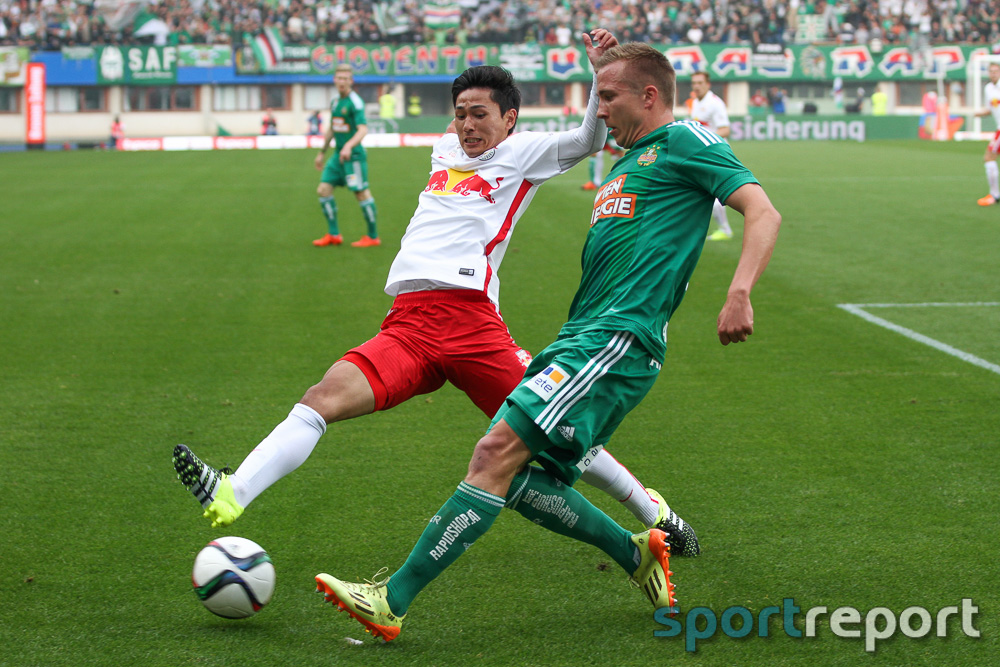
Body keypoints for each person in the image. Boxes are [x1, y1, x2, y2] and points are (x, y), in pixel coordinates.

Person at [174, 31, 696, 594]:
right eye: (461, 115)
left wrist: (598, 78)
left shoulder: (525, 155)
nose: (468, 125)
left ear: (511, 118)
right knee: (321, 399)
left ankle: (655, 515)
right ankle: (232, 491)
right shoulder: (444, 150)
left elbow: (591, 139)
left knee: (558, 430)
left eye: (481, 115)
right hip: (408, 324)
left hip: (472, 323)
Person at [315, 42, 781, 642]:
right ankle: (634, 550)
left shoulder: (687, 140)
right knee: (518, 474)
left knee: (493, 456)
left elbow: (761, 210)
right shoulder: (629, 163)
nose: (600, 109)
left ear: (648, 95)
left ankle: (392, 599)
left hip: (617, 341)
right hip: (578, 340)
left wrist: (739, 291)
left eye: (608, 96)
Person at [313, 64, 380, 248]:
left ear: (351, 81)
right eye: (339, 78)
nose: (342, 82)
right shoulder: (335, 102)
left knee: (361, 193)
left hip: (354, 157)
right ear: (334, 80)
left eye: (345, 79)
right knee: (323, 190)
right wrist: (321, 153)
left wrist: (349, 146)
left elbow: (363, 129)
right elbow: (333, 129)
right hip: (337, 156)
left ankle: (373, 236)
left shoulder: (355, 102)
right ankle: (334, 234)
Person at [690, 71, 733, 241]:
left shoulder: (715, 103)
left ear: (708, 84)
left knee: (712, 195)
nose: (697, 86)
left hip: (717, 154)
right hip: (703, 153)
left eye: (700, 82)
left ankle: (725, 229)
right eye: (694, 83)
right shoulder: (695, 102)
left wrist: (705, 137)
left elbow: (725, 129)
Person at [975, 63, 1000, 206]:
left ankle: (994, 195)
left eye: (996, 71)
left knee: (989, 156)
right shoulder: (989, 89)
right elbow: (991, 109)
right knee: (989, 157)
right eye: (991, 71)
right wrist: (978, 114)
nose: (994, 73)